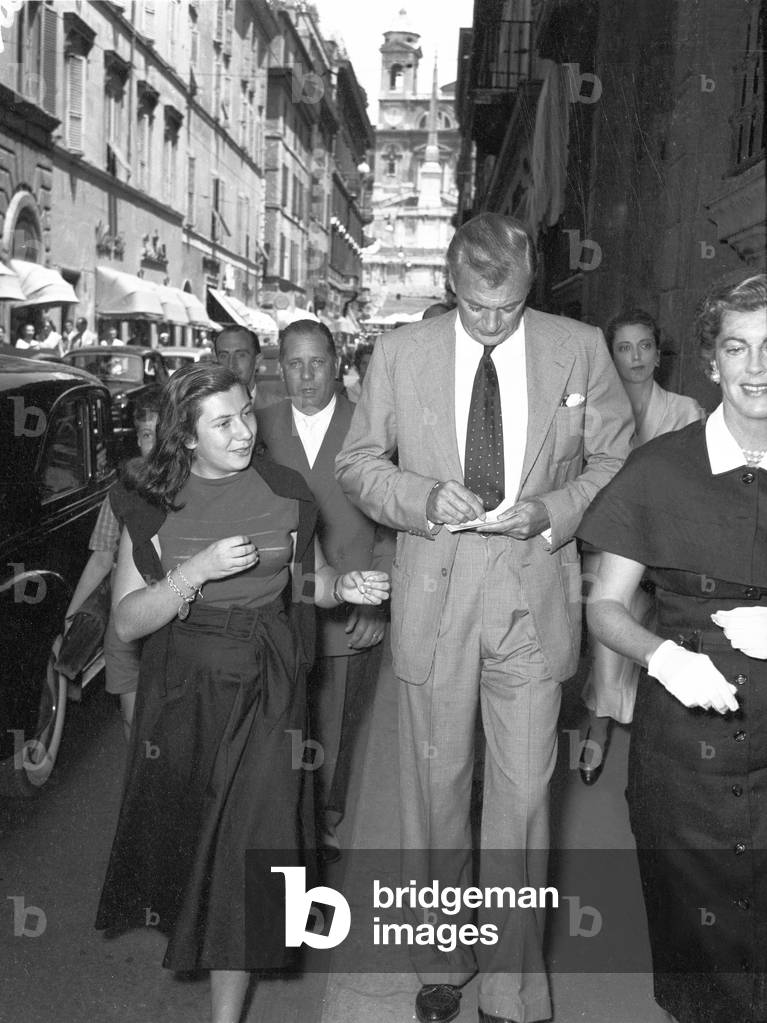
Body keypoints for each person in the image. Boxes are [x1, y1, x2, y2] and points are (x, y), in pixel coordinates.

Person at [335, 212, 632, 1023]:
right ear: (449, 285)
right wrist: (421, 497)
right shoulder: (400, 355)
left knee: (525, 796)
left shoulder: (578, 348)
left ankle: (512, 984)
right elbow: (357, 463)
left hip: (533, 589)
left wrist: (550, 509)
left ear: (529, 284)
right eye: (474, 306)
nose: (493, 323)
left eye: (507, 305)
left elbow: (614, 458)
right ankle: (439, 953)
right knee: (434, 789)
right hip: (437, 587)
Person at [95, 362, 389, 1023]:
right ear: (188, 436)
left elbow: (301, 582)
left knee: (248, 847)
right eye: (222, 421)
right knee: (194, 837)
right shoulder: (151, 506)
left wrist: (342, 588)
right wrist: (191, 573)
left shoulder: (286, 491)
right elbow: (126, 619)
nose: (243, 430)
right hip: (187, 682)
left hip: (270, 679)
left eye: (247, 413)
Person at [578, 272, 767, 1023]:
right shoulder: (658, 470)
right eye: (737, 347)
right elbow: (602, 607)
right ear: (710, 364)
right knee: (701, 953)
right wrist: (661, 655)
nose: (756, 367)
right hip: (686, 758)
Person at [256, 321, 393, 862]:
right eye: (295, 363)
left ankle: (326, 822)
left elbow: (394, 524)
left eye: (317, 362)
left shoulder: (372, 428)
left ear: (337, 363)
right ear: (280, 367)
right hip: (274, 605)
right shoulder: (257, 427)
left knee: (336, 728)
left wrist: (380, 599)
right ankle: (283, 819)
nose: (307, 375)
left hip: (351, 607)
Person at [579, 309, 704, 784]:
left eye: (644, 346)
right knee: (613, 628)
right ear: (611, 356)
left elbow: (698, 486)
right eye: (624, 347)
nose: (635, 357)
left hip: (672, 549)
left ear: (658, 353)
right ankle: (600, 724)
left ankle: (655, 745)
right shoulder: (593, 414)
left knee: (670, 642)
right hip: (610, 545)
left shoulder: (685, 410)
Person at [64, 389, 163, 739]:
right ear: (138, 438)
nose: (154, 443)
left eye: (162, 432)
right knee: (134, 724)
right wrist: (71, 620)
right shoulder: (122, 493)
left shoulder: (196, 488)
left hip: (175, 629)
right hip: (127, 629)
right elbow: (102, 558)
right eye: (147, 434)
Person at [213, 324, 260, 398]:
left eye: (241, 355)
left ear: (257, 361)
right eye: (224, 356)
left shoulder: (276, 407)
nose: (231, 364)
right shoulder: (205, 407)